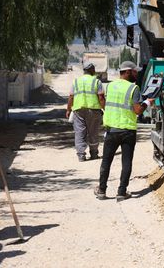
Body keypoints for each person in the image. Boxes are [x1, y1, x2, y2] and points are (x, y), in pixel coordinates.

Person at [94, 61, 154, 201]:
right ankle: (121, 192)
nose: (136, 73)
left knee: (106, 161)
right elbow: (138, 110)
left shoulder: (110, 86)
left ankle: (102, 190)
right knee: (126, 162)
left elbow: (103, 100)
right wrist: (147, 102)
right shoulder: (133, 88)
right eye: (134, 71)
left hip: (112, 130)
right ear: (127, 72)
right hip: (127, 131)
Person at [66, 63, 105, 162]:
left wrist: (68, 109)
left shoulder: (76, 82)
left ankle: (81, 155)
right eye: (94, 69)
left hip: (78, 110)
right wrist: (105, 108)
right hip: (93, 110)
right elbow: (101, 97)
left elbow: (71, 97)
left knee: (79, 133)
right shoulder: (96, 81)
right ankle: (94, 153)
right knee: (93, 132)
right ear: (91, 70)